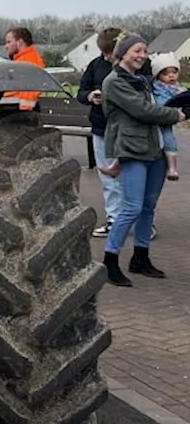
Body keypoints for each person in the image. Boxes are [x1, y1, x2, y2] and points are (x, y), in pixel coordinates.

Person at [98, 34, 186, 286]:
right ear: (123, 52)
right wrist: (175, 114)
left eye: (145, 51)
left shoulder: (141, 81)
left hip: (154, 149)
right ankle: (110, 261)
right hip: (132, 149)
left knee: (148, 207)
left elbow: (155, 105)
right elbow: (142, 110)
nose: (141, 55)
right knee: (131, 207)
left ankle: (140, 257)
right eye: (136, 50)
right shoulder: (114, 81)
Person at [77, 27, 124, 237]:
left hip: (127, 130)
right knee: (107, 176)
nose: (107, 57)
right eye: (104, 52)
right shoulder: (95, 65)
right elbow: (81, 92)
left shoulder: (137, 65)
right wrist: (90, 96)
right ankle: (114, 217)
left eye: (110, 52)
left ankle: (139, 221)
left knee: (132, 175)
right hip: (101, 127)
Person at [150, 52, 185, 181]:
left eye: (174, 72)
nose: (171, 76)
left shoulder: (178, 89)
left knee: (169, 139)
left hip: (167, 119)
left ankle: (172, 168)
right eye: (165, 73)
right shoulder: (155, 87)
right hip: (157, 114)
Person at [2, 26, 47, 110]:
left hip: (20, 111)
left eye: (9, 42)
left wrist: (24, 110)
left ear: (20, 42)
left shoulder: (28, 61)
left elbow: (30, 88)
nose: (6, 46)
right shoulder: (23, 59)